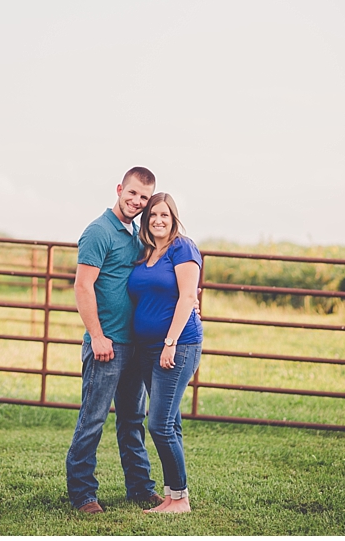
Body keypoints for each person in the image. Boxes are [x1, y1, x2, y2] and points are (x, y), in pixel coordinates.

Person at [66, 167, 164, 513]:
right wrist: (96, 336)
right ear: (120, 188)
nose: (137, 201)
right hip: (107, 345)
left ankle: (139, 487)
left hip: (135, 345)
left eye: (143, 197)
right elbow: (82, 286)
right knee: (93, 420)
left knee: (132, 420)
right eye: (132, 193)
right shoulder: (98, 231)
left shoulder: (138, 235)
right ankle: (82, 494)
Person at [127, 192, 204, 514]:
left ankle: (181, 498)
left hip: (177, 345)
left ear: (173, 219)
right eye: (153, 215)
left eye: (165, 215)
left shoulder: (182, 247)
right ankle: (172, 496)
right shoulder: (146, 253)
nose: (158, 220)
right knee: (169, 422)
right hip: (145, 348)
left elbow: (188, 297)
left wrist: (170, 342)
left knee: (158, 423)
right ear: (146, 221)